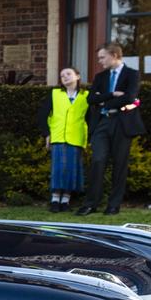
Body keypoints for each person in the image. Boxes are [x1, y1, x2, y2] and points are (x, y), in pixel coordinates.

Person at [78, 42, 145, 216]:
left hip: (123, 123)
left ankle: (113, 205)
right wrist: (112, 95)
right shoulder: (100, 77)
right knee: (97, 160)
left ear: (114, 55)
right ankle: (91, 203)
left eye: (102, 57)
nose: (99, 61)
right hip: (103, 122)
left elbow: (130, 98)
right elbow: (91, 99)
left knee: (119, 165)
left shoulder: (132, 74)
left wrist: (104, 101)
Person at [38, 67, 89, 213]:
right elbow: (42, 116)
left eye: (68, 74)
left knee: (72, 169)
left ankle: (66, 200)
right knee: (58, 169)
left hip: (76, 137)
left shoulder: (86, 95)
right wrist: (47, 134)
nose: (65, 77)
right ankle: (55, 199)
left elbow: (90, 118)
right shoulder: (55, 94)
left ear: (77, 76)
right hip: (58, 136)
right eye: (62, 76)